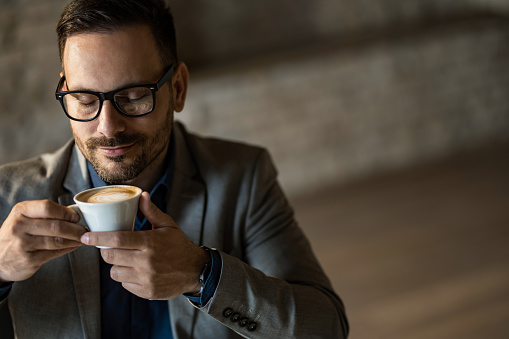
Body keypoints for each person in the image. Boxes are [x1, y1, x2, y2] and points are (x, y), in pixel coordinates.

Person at [0, 0, 348, 338]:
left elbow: (325, 328)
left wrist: (201, 274)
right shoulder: (8, 195)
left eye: (134, 96)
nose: (108, 127)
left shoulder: (244, 178)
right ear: (65, 91)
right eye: (86, 100)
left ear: (177, 88)